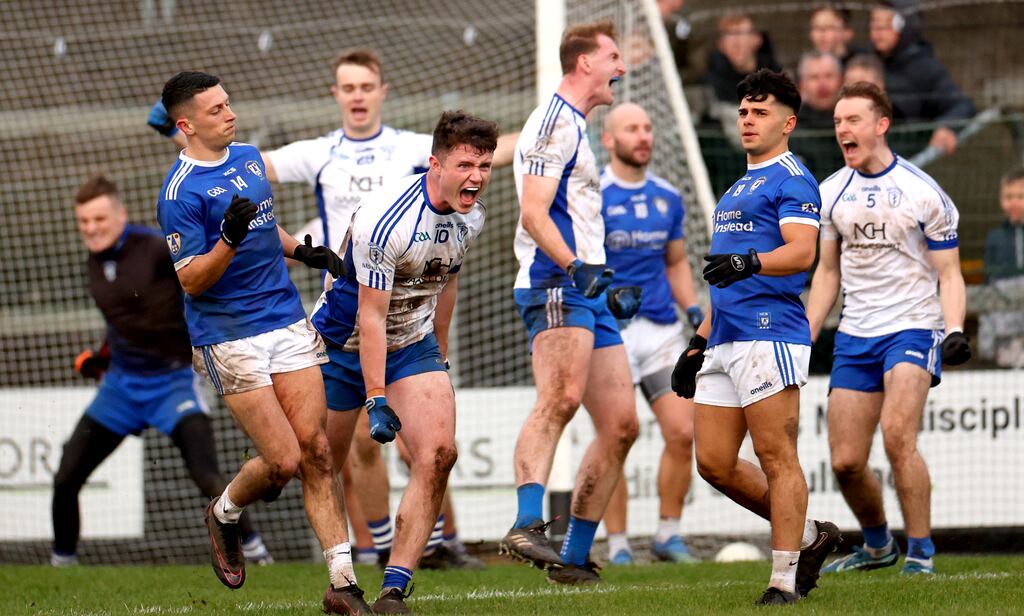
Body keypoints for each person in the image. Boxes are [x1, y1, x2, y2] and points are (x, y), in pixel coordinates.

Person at [261, 48, 506, 569]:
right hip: (347, 312)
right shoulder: (320, 152)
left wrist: (543, 147)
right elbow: (248, 167)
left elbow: (484, 158)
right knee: (323, 455)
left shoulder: (415, 149)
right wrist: (183, 139)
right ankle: (359, 550)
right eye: (347, 88)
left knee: (432, 446)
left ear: (381, 91)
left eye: (365, 87)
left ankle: (425, 551)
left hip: (408, 315)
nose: (357, 96)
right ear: (336, 95)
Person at [155, 71, 371, 615]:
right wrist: (226, 239)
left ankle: (341, 584)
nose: (230, 114)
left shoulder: (249, 157)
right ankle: (224, 512)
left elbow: (262, 228)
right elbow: (191, 279)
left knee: (317, 450)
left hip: (285, 318)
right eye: (216, 110)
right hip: (228, 335)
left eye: (229, 103)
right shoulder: (179, 194)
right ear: (186, 125)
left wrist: (304, 252)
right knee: (281, 460)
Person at [310, 110, 498, 614]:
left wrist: (440, 354)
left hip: (411, 345)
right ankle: (235, 509)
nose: (477, 177)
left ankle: (394, 590)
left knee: (439, 454)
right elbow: (369, 317)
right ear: (435, 163)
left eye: (485, 165)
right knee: (310, 462)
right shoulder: (385, 217)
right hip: (341, 345)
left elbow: (447, 282)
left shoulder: (472, 217)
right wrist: (375, 397)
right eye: (465, 165)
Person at [670, 69, 841, 605]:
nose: (747, 119)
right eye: (744, 110)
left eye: (760, 111)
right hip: (724, 337)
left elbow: (802, 253)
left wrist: (750, 259)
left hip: (771, 334)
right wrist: (697, 343)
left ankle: (783, 581)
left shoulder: (794, 178)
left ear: (787, 123)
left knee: (776, 456)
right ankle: (812, 536)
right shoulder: (738, 186)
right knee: (714, 464)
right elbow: (721, 281)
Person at [51, 174, 271, 568]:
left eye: (99, 219)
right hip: (120, 387)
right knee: (66, 477)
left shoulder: (154, 249)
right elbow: (126, 319)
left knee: (207, 476)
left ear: (121, 214)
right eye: (83, 222)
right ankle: (62, 567)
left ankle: (256, 553)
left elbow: (201, 282)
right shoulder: (94, 261)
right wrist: (100, 358)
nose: (91, 229)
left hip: (174, 382)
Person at [808, 82, 971, 576]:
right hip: (856, 333)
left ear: (881, 125)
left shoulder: (924, 192)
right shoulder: (830, 191)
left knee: (899, 435)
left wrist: (954, 328)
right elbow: (827, 274)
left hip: (914, 328)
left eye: (852, 120)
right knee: (845, 462)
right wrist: (808, 333)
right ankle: (878, 547)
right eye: (838, 121)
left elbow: (949, 273)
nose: (842, 129)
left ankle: (921, 552)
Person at [500, 20, 639, 586]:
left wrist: (600, 281)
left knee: (623, 425)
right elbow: (535, 212)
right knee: (559, 398)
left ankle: (575, 558)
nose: (621, 68)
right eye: (612, 57)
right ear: (584, 63)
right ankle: (526, 523)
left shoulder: (575, 125)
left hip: (584, 287)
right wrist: (577, 269)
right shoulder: (553, 122)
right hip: (555, 281)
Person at [597, 102, 703, 566]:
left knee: (683, 432)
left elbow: (675, 262)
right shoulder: (591, 193)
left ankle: (668, 534)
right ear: (609, 139)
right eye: (631, 129)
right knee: (617, 434)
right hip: (610, 334)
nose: (643, 136)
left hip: (661, 330)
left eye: (647, 128)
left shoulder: (668, 196)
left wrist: (695, 309)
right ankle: (617, 543)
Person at [869, 1, 975, 155]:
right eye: (874, 24)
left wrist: (947, 127)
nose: (877, 31)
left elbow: (961, 104)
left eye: (885, 25)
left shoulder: (925, 68)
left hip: (911, 157)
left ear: (905, 26)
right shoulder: (867, 62)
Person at [980, 168, 1024, 367]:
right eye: (1008, 196)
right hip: (1006, 327)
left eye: (1020, 196)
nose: (1013, 202)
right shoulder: (995, 238)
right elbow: (989, 285)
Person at [706, 13, 781, 107]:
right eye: (729, 36)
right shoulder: (712, 85)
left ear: (757, 39)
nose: (735, 42)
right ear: (721, 45)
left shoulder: (775, 78)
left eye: (740, 34)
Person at [796, 51, 843, 130]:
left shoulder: (852, 124)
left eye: (828, 76)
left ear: (840, 81)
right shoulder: (790, 127)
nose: (822, 84)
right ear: (802, 85)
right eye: (814, 77)